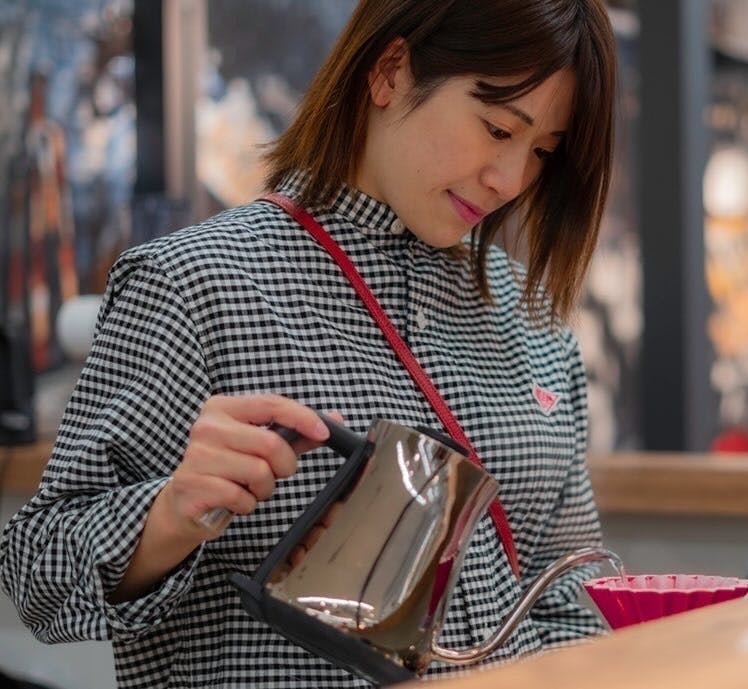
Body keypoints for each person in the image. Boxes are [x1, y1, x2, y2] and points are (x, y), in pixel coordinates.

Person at [0, 1, 617, 687]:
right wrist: (170, 512)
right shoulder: (196, 283)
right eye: (497, 127)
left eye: (542, 151)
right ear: (390, 72)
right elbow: (36, 581)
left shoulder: (533, 322)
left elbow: (571, 586)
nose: (510, 179)